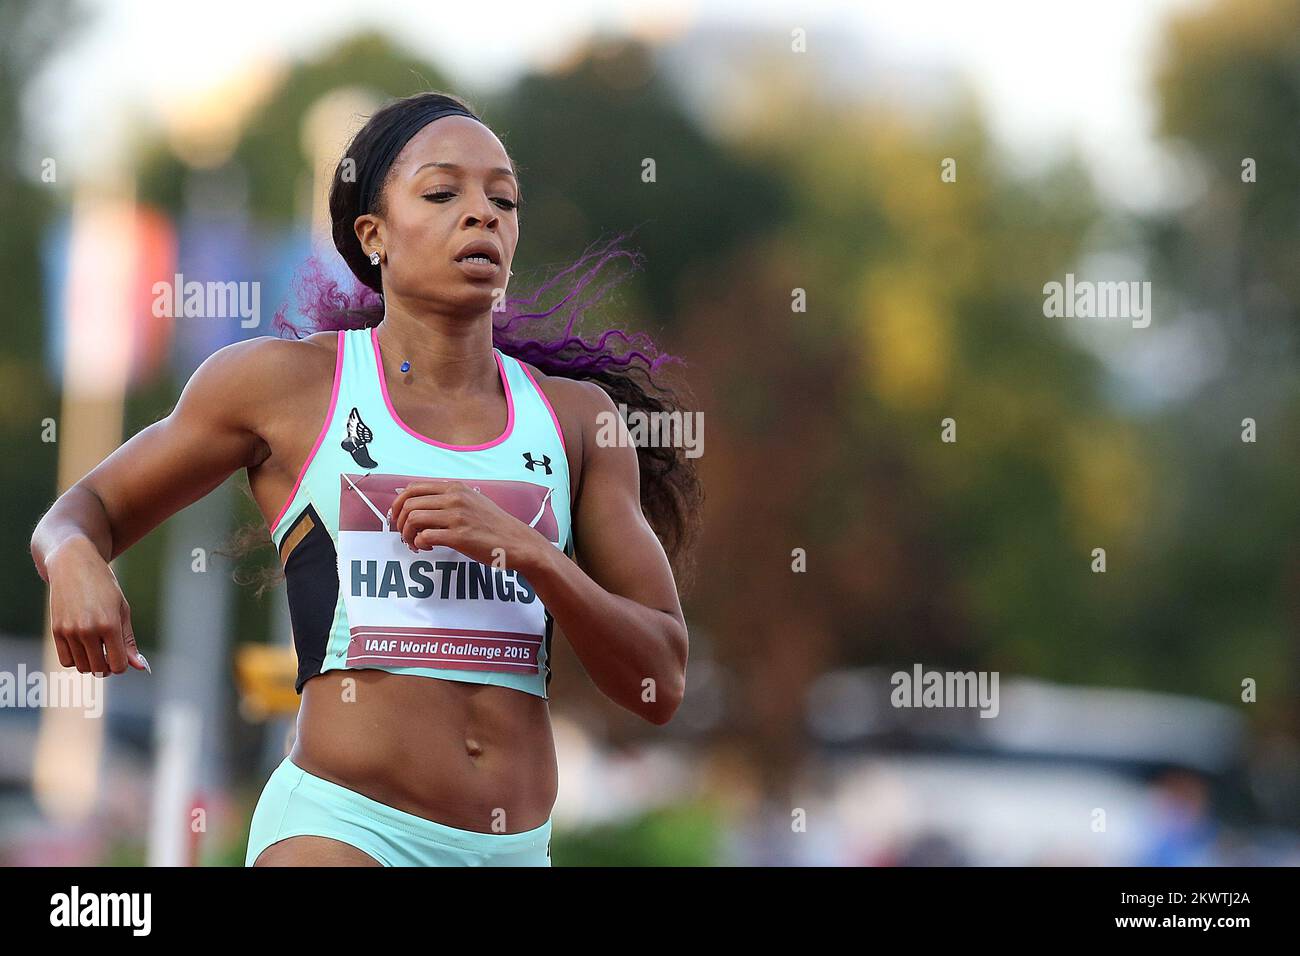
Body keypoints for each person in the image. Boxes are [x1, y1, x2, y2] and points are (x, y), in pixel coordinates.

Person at [30, 91, 701, 867]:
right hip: (344, 831)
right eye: (444, 192)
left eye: (504, 198)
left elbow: (661, 677)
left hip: (514, 848)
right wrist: (75, 558)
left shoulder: (579, 422)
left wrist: (534, 555)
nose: (482, 213)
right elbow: (81, 512)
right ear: (372, 235)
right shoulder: (282, 387)